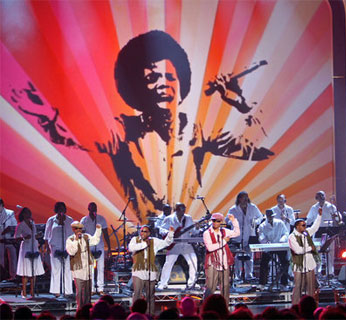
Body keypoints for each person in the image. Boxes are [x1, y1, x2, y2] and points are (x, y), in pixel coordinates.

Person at [96, 30, 273, 220]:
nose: (164, 83)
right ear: (137, 88)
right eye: (152, 78)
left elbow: (260, 150)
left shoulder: (197, 130)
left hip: (187, 222)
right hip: (147, 228)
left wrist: (237, 100)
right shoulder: (122, 130)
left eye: (171, 77)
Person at [128, 224, 174, 315]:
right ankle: (136, 314)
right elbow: (131, 248)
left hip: (150, 271)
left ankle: (150, 314)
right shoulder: (135, 240)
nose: (142, 233)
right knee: (137, 293)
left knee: (150, 296)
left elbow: (166, 243)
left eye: (145, 231)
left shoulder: (154, 241)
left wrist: (170, 234)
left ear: (149, 233)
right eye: (141, 231)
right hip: (138, 272)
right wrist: (145, 244)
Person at [158, 203, 199, 290]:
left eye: (184, 209)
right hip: (174, 245)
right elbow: (161, 230)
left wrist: (198, 229)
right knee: (168, 264)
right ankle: (163, 283)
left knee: (193, 262)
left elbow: (193, 231)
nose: (183, 211)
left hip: (186, 245)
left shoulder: (188, 218)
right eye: (181, 209)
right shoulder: (169, 219)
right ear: (176, 209)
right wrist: (170, 234)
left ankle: (191, 283)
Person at [227, 191, 263, 282]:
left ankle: (249, 275)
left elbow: (260, 217)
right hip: (238, 236)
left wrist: (256, 222)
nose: (245, 199)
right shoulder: (233, 209)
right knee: (238, 257)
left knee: (249, 256)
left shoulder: (253, 207)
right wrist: (234, 222)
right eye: (243, 197)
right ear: (239, 199)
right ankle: (238, 276)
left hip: (250, 234)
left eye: (246, 197)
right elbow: (227, 220)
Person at [203, 213, 240, 300]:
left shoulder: (224, 231)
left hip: (224, 263)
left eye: (218, 221)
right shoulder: (207, 233)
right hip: (212, 264)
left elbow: (237, 233)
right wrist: (224, 241)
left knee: (225, 288)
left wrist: (233, 221)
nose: (215, 222)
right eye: (214, 220)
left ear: (221, 222)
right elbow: (210, 248)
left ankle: (224, 309)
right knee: (210, 288)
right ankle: (206, 308)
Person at [66, 221, 102, 308]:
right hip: (78, 269)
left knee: (87, 291)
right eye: (77, 228)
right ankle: (80, 308)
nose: (79, 230)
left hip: (87, 267)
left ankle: (87, 308)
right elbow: (72, 252)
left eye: (80, 228)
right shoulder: (70, 240)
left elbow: (95, 240)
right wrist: (76, 241)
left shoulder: (86, 237)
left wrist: (98, 230)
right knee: (80, 291)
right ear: (73, 229)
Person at [289, 213, 322, 305]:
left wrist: (319, 216)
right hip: (299, 265)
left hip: (309, 264)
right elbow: (298, 250)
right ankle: (295, 305)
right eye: (303, 225)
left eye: (305, 225)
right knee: (298, 286)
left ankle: (311, 306)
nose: (305, 227)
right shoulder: (292, 237)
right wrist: (310, 248)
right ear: (297, 226)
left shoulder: (306, 233)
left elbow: (315, 227)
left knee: (311, 287)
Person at [44, 201, 74, 297]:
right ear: (56, 210)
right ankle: (56, 290)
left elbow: (73, 235)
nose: (61, 210)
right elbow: (46, 235)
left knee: (67, 269)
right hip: (55, 247)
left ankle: (67, 291)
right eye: (59, 208)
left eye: (63, 208)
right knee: (56, 269)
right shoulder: (51, 220)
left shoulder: (70, 220)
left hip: (67, 247)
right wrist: (47, 248)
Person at [80, 202, 111, 294]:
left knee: (101, 267)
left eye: (95, 208)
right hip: (89, 246)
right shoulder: (84, 220)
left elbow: (105, 233)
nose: (94, 210)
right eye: (92, 208)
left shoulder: (101, 219)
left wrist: (108, 247)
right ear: (88, 209)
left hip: (100, 246)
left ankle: (100, 288)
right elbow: (81, 234)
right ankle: (92, 288)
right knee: (90, 268)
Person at [15, 207, 45, 299]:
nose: (29, 214)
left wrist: (37, 236)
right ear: (23, 214)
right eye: (27, 212)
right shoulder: (20, 225)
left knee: (33, 271)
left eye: (29, 212)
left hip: (34, 247)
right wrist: (24, 238)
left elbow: (33, 236)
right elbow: (16, 237)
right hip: (26, 249)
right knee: (26, 271)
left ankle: (32, 290)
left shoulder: (32, 223)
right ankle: (23, 291)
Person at [306, 191, 338, 277]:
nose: (321, 197)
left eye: (323, 195)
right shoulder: (313, 208)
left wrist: (336, 218)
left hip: (329, 231)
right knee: (317, 253)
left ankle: (330, 272)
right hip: (317, 232)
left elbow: (337, 220)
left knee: (330, 252)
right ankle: (317, 272)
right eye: (319, 196)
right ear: (316, 198)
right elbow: (309, 220)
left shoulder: (331, 206)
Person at [257, 209, 289, 290]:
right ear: (267, 217)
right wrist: (265, 241)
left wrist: (282, 240)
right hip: (269, 247)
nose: (271, 218)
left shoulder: (280, 223)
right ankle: (262, 283)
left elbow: (285, 233)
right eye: (269, 217)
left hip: (280, 245)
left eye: (272, 216)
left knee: (285, 262)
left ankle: (284, 283)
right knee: (263, 263)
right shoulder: (262, 225)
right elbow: (261, 236)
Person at [0, 198, 17, 281]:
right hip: (0, 240)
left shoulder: (10, 213)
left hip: (10, 238)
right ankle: (2, 275)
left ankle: (13, 275)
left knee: (12, 258)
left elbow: (14, 226)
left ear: (2, 205)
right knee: (1, 258)